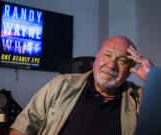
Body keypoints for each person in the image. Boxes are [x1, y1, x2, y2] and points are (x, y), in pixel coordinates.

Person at [9, 36, 153, 135]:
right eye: (107, 55)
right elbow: (23, 127)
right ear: (97, 56)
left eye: (121, 60)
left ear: (131, 67)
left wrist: (153, 78)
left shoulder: (142, 100)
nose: (111, 65)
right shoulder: (61, 85)